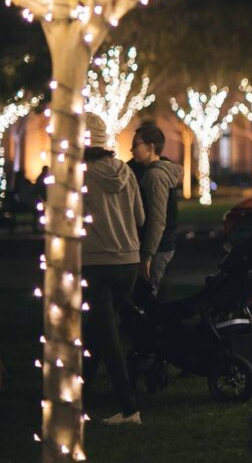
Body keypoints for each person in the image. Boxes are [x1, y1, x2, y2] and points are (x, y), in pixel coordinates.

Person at [81, 113, 145, 425]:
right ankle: (77, 398)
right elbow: (140, 218)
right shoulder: (124, 170)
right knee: (98, 331)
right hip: (129, 262)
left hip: (96, 262)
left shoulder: (78, 174)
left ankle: (129, 408)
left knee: (106, 336)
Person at [128, 122, 183, 295]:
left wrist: (147, 256)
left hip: (158, 248)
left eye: (136, 145)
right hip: (161, 245)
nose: (132, 149)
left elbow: (157, 219)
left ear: (151, 147)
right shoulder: (155, 171)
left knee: (147, 297)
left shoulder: (154, 176)